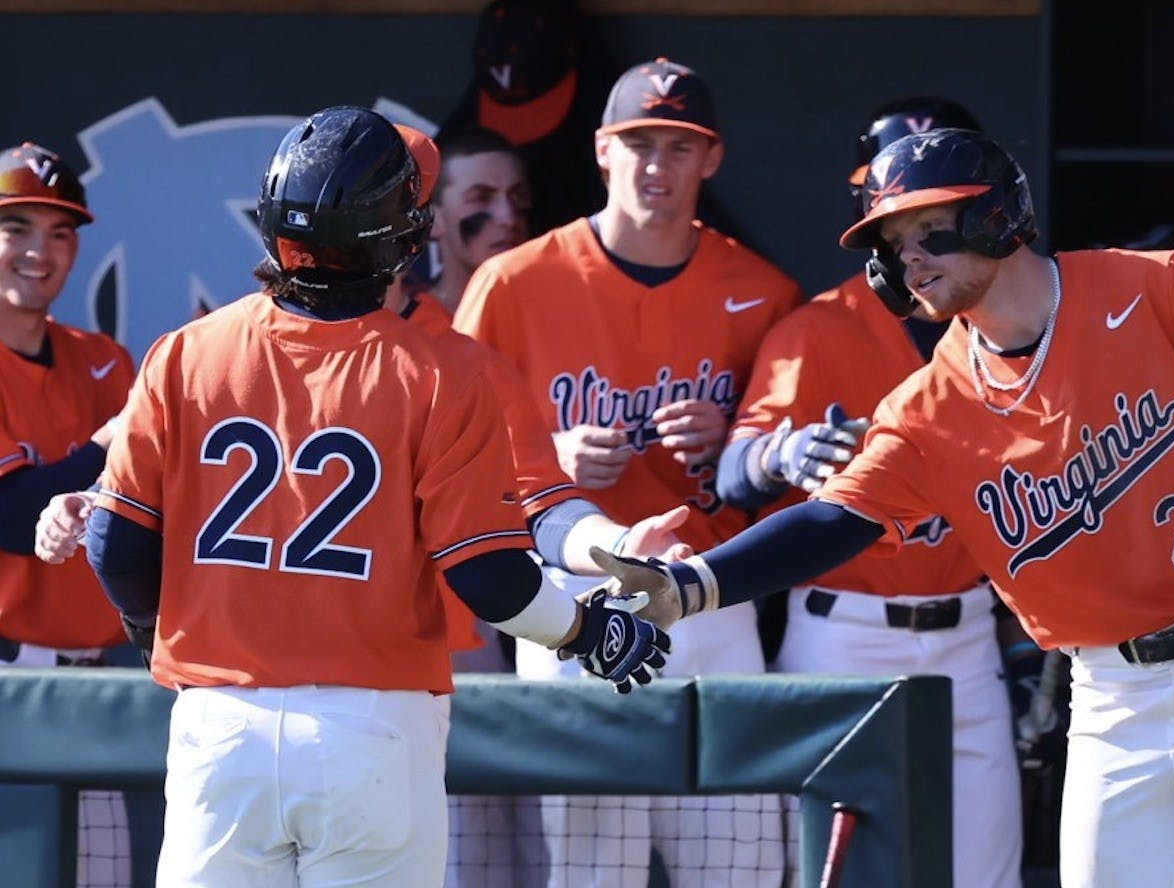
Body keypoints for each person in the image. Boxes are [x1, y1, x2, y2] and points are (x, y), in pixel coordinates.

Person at [590, 127, 1174, 887]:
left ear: (998, 216)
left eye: (930, 231)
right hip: (1109, 696)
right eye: (894, 246)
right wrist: (690, 585)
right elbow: (831, 520)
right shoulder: (929, 405)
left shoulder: (1153, 286)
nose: (910, 258)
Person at [83, 106, 669, 887]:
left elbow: (115, 546)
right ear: (402, 236)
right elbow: (489, 576)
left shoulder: (187, 352)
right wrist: (585, 631)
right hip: (372, 730)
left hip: (219, 726)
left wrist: (146, 614)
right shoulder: (441, 371)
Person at [452, 57, 802, 888]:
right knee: (589, 867)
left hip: (713, 589)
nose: (658, 165)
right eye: (640, 142)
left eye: (680, 146)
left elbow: (783, 462)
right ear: (604, 150)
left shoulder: (763, 290)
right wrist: (551, 463)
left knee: (741, 863)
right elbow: (453, 457)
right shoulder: (513, 283)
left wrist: (734, 438)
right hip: (575, 604)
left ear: (710, 159)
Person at [713, 97, 1026, 888]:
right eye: (900, 210)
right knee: (830, 875)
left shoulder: (1020, 324)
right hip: (842, 634)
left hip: (970, 638)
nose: (920, 235)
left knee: (986, 873)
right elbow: (731, 475)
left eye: (942, 209)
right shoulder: (818, 327)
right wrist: (780, 452)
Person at [0, 141, 136, 888]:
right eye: (16, 226)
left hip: (96, 688)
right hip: (8, 688)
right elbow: (13, 515)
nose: (38, 250)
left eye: (58, 232)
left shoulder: (106, 360)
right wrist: (108, 445)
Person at [425, 127, 532, 315]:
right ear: (433, 219)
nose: (508, 218)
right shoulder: (412, 331)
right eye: (481, 198)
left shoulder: (557, 311)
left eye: (518, 196)